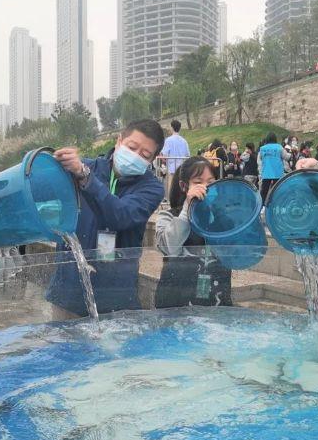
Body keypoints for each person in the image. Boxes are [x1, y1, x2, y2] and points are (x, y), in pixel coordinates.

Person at [48, 119, 165, 317]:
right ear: (119, 141)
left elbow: (120, 215)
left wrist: (86, 178)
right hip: (68, 291)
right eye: (132, 147)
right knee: (62, 336)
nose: (135, 156)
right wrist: (53, 164)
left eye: (145, 155)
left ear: (153, 159)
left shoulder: (152, 188)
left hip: (116, 297)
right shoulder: (84, 168)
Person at [154, 157, 232, 308]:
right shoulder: (168, 216)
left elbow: (238, 250)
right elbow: (169, 248)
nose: (205, 187)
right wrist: (187, 210)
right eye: (198, 182)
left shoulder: (220, 217)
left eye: (211, 182)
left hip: (216, 301)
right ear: (184, 186)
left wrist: (221, 213)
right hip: (175, 302)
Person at [159, 120, 190, 201]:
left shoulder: (168, 140)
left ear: (172, 127)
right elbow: (187, 154)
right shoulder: (184, 141)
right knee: (181, 185)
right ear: (179, 128)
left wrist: (163, 160)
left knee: (171, 185)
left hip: (172, 167)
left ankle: (171, 201)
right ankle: (180, 201)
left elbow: (164, 154)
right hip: (182, 167)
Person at [258, 132, 290, 203]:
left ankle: (262, 206)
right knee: (277, 190)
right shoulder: (279, 147)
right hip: (277, 172)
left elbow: (261, 158)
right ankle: (277, 204)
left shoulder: (262, 148)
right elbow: (286, 157)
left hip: (266, 172)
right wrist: (291, 153)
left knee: (264, 191)